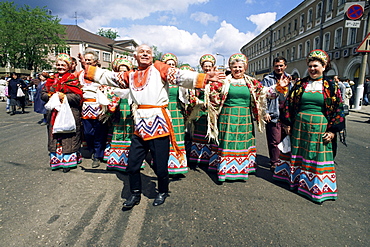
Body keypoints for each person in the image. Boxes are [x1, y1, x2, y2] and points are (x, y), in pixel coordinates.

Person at [80, 44, 224, 208]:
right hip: (140, 126)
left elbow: (179, 75)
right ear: (135, 56)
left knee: (161, 166)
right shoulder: (131, 75)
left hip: (158, 124)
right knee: (132, 165)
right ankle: (135, 194)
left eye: (148, 52)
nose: (145, 54)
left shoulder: (159, 68)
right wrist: (89, 68)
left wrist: (204, 77)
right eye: (142, 52)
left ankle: (162, 191)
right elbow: (110, 77)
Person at [273, 49, 345, 204]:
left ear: (324, 67)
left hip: (320, 127)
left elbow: (338, 109)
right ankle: (296, 182)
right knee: (298, 152)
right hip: (299, 126)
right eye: (310, 66)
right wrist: (287, 123)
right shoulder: (300, 84)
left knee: (315, 156)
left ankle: (315, 188)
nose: (312, 69)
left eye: (316, 66)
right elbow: (288, 104)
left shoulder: (332, 87)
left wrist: (332, 131)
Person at [205, 53, 268, 182]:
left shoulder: (251, 82)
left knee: (242, 142)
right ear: (230, 68)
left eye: (240, 67)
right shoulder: (224, 81)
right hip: (227, 117)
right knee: (227, 141)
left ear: (245, 68)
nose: (237, 69)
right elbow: (211, 92)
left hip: (245, 118)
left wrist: (278, 88)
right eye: (235, 67)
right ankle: (224, 171)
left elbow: (264, 92)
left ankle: (241, 169)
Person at [41, 53, 83, 173]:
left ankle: (68, 162)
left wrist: (64, 97)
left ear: (68, 66)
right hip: (54, 113)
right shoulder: (51, 80)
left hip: (69, 112)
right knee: (55, 136)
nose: (60, 67)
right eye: (58, 65)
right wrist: (50, 96)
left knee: (68, 135)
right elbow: (42, 94)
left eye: (63, 65)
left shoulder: (73, 80)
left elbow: (78, 97)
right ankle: (57, 161)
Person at [261, 57, 291, 171]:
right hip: (273, 113)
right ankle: (274, 162)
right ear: (273, 67)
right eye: (276, 66)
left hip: (286, 112)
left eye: (281, 65)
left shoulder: (288, 78)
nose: (279, 68)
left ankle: (284, 162)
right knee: (274, 140)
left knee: (285, 139)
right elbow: (263, 96)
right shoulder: (268, 79)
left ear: (285, 66)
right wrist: (266, 111)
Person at [80, 49, 109, 168]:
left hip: (98, 105)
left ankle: (97, 155)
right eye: (85, 60)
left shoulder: (101, 73)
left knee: (99, 132)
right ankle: (92, 148)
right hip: (85, 106)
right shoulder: (81, 74)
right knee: (87, 132)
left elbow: (108, 88)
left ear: (96, 61)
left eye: (89, 60)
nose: (87, 62)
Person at [187, 54, 216, 167]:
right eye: (205, 66)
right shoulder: (198, 78)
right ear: (202, 67)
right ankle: (197, 157)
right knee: (198, 132)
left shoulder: (217, 79)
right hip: (199, 110)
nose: (207, 68)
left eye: (209, 66)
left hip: (211, 111)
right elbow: (191, 93)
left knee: (210, 133)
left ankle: (209, 157)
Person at [161, 53, 188, 175]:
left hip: (176, 111)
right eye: (168, 64)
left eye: (173, 64)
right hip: (163, 110)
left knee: (177, 136)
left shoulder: (179, 81)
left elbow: (186, 97)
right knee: (163, 137)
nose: (171, 66)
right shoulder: (159, 79)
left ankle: (177, 165)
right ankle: (163, 164)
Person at [105, 58, 133, 171]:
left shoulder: (132, 82)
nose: (122, 73)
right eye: (120, 70)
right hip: (118, 111)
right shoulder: (113, 83)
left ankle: (129, 161)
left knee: (129, 133)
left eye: (125, 71)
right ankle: (115, 161)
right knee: (118, 132)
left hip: (130, 110)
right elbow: (108, 95)